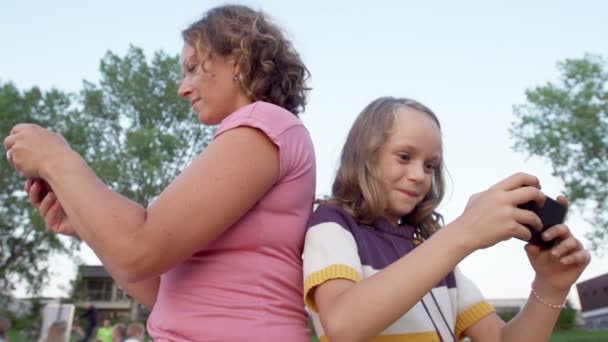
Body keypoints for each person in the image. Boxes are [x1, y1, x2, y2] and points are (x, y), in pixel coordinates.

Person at [4, 4, 314, 341]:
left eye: (192, 68)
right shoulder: (256, 136)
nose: (183, 88)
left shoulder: (264, 123)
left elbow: (139, 248)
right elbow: (165, 292)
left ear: (237, 61)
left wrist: (54, 157)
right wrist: (87, 224)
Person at [302, 96, 591, 341]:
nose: (418, 175)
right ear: (364, 157)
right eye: (404, 156)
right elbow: (342, 324)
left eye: (430, 165)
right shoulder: (333, 224)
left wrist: (551, 286)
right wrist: (464, 232)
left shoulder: (433, 253)